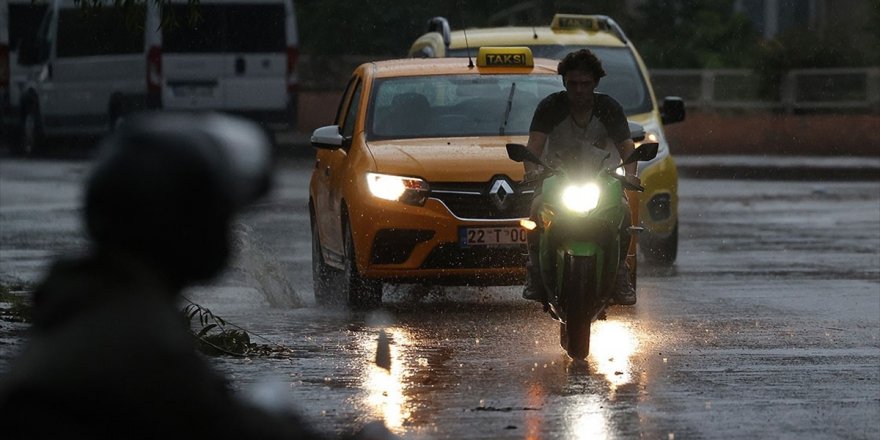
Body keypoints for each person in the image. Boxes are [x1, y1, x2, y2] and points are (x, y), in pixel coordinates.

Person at [0, 113, 393, 439]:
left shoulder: (77, 312)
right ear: (186, 229)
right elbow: (222, 424)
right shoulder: (141, 345)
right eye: (218, 216)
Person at [521, 48, 639, 306]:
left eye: (585, 84)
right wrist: (532, 172)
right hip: (556, 178)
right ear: (564, 82)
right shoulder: (550, 106)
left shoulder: (609, 107)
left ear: (595, 83)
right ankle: (536, 271)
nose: (579, 90)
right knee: (535, 209)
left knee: (624, 212)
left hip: (602, 180)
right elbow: (533, 148)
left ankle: (620, 271)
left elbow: (627, 148)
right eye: (573, 83)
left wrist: (631, 175)